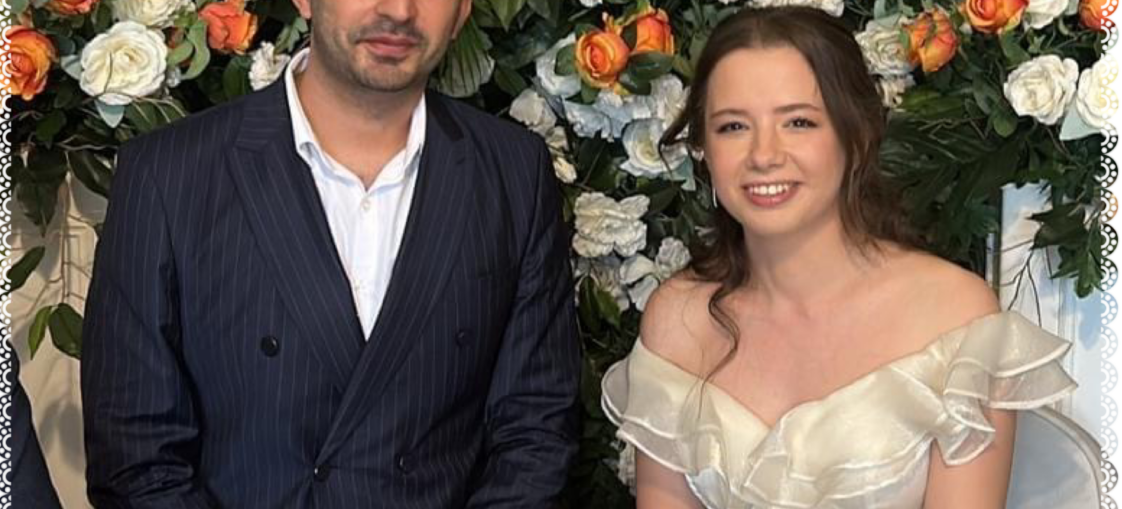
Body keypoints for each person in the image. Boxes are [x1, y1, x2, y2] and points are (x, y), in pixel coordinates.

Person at [79, 0, 581, 507]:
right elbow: (135, 456)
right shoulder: (168, 175)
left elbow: (535, 427)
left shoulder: (513, 172)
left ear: (463, 11)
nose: (399, 11)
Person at [600, 6, 1093, 508]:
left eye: (798, 122)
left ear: (854, 134)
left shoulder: (955, 319)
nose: (764, 155)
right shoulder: (679, 320)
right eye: (733, 127)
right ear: (703, 146)